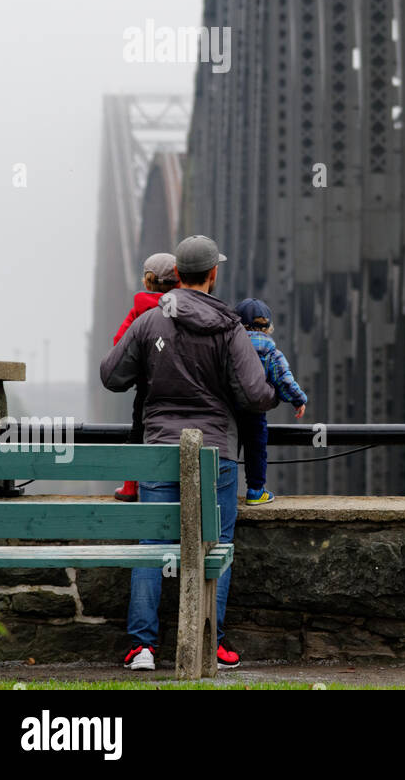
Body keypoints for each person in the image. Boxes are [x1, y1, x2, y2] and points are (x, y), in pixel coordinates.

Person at [99, 234, 278, 672]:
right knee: (215, 546)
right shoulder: (231, 327)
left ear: (176, 274)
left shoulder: (149, 322)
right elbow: (254, 394)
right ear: (213, 275)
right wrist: (274, 393)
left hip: (159, 451)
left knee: (152, 545)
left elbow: (111, 377)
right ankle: (208, 642)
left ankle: (142, 647)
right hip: (215, 454)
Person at [111, 252, 178, 502]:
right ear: (179, 281)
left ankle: (130, 487)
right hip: (183, 384)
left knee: (137, 433)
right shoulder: (185, 307)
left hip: (148, 387)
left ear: (146, 281)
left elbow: (119, 342)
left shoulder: (138, 311)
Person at [233, 298, 309, 505]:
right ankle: (256, 491)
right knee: (256, 448)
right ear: (268, 327)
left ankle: (224, 490)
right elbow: (284, 379)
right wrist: (298, 400)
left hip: (228, 410)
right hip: (255, 411)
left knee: (228, 449)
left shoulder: (228, 347)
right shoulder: (271, 352)